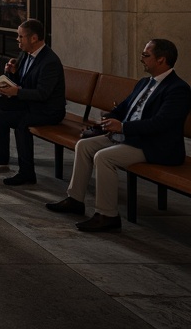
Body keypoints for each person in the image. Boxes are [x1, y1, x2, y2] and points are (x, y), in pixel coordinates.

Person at [46, 38, 191, 232]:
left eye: (146, 55)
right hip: (132, 138)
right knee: (84, 145)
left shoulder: (178, 89)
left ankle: (107, 215)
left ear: (161, 60)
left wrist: (122, 127)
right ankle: (75, 199)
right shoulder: (144, 83)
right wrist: (107, 120)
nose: (141, 58)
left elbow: (161, 124)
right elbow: (123, 108)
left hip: (155, 146)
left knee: (104, 157)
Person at [0, 19, 65, 185]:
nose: (18, 40)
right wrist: (11, 73)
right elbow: (23, 81)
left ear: (33, 38)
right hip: (31, 104)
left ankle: (24, 171)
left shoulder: (49, 62)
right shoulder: (25, 54)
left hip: (48, 110)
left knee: (21, 123)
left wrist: (17, 92)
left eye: (21, 37)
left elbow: (43, 94)